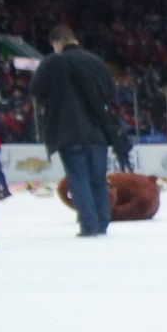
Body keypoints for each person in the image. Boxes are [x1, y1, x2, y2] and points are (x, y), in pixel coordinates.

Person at [30, 25, 121, 238]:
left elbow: (35, 90)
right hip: (97, 130)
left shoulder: (51, 62)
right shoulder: (95, 61)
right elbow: (111, 92)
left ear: (56, 43)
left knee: (78, 177)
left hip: (66, 129)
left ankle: (88, 224)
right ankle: (102, 222)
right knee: (98, 178)